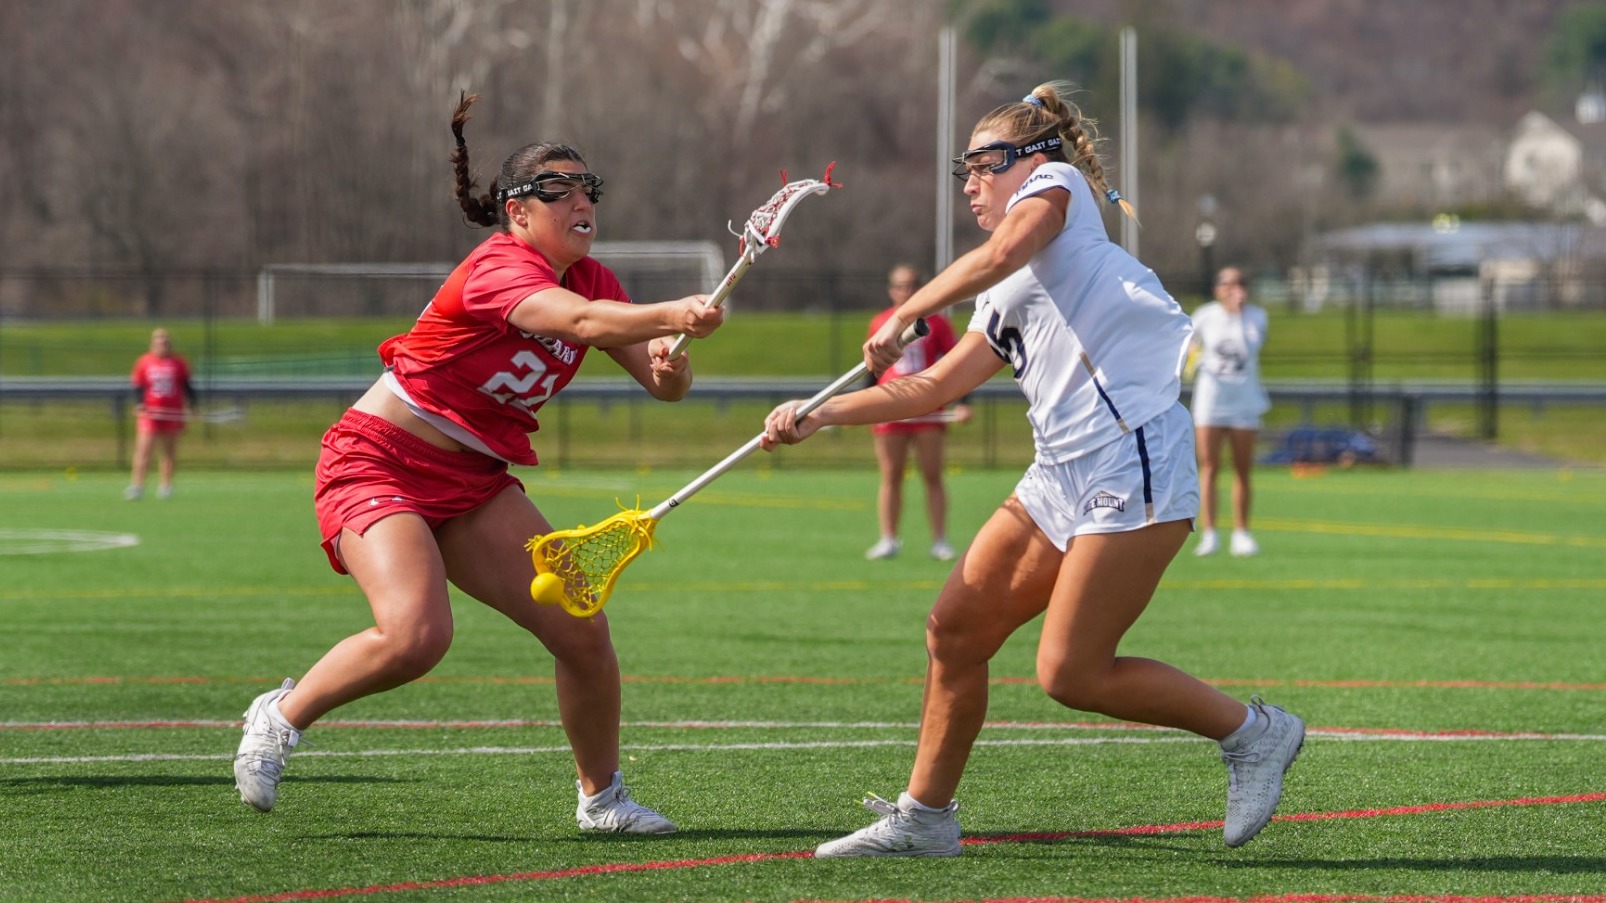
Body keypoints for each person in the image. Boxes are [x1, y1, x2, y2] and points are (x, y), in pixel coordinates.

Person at [761, 82, 1304, 857]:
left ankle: (1252, 732)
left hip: (1131, 456)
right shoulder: (1002, 293)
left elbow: (1000, 251)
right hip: (1058, 475)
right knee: (955, 629)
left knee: (1070, 672)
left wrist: (910, 309)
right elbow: (936, 386)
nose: (969, 184)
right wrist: (819, 414)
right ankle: (925, 817)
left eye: (982, 166)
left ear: (1029, 159)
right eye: (964, 170)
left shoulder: (1058, 188)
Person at [231, 92, 724, 833]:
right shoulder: (499, 266)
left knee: (582, 628)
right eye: (560, 189)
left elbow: (663, 386)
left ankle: (602, 799)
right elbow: (579, 323)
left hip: (476, 484)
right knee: (416, 636)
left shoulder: (598, 282)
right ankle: (281, 714)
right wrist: (670, 313)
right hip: (379, 462)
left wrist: (672, 359)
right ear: (517, 211)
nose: (582, 201)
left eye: (589, 188)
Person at [864, 264, 968, 562]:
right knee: (891, 475)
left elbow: (958, 361)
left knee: (932, 475)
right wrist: (863, 406)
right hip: (890, 407)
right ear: (891, 290)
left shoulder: (937, 323)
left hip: (927, 409)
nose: (905, 292)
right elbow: (871, 369)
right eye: (899, 286)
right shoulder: (880, 322)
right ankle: (888, 539)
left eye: (911, 285)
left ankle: (939, 540)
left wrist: (963, 403)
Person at [1188, 266, 1270, 557]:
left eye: (1240, 283)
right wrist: (1194, 359)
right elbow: (1189, 348)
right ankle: (1209, 533)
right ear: (1217, 288)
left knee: (1242, 468)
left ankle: (1241, 533)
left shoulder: (1256, 317)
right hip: (1211, 400)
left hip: (1244, 401)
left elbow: (1250, 348)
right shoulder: (1204, 315)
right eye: (1229, 284)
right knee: (1209, 466)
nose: (1235, 289)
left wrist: (1237, 315)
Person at [126, 327, 195, 500]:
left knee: (169, 451)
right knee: (144, 450)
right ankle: (137, 486)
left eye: (165, 341)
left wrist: (192, 406)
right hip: (151, 413)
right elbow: (138, 385)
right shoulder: (144, 362)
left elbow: (187, 385)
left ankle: (166, 486)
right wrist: (140, 404)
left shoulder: (179, 362)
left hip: (172, 412)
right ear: (153, 343)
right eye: (159, 340)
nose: (163, 344)